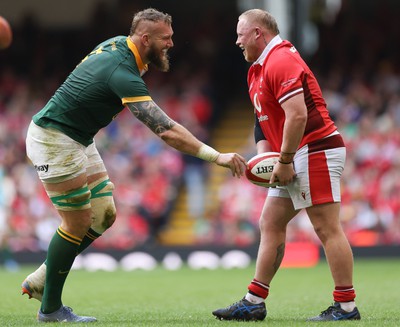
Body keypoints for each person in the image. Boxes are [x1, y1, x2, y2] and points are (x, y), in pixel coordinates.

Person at [21, 8, 247, 323]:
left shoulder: (120, 46)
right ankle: (50, 309)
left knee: (104, 215)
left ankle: (43, 276)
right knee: (76, 222)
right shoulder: (121, 70)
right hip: (55, 139)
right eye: (165, 38)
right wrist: (216, 156)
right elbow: (165, 129)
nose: (171, 43)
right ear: (145, 39)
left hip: (78, 137)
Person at [212, 9, 360, 322]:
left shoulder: (281, 59)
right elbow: (261, 121)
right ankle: (254, 301)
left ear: (257, 34)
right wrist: (264, 157)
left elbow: (297, 116)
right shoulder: (257, 69)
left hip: (315, 148)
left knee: (326, 226)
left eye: (241, 34)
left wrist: (284, 160)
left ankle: (346, 306)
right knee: (270, 222)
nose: (237, 41)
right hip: (296, 153)